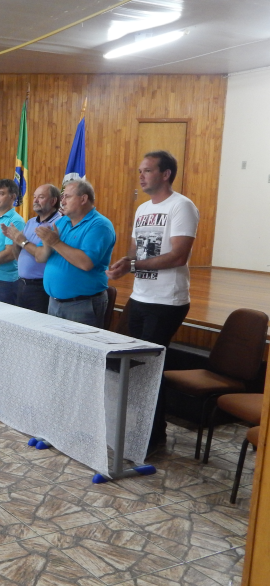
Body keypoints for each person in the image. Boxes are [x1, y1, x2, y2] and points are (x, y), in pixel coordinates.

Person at [107, 150, 200, 451]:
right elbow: (136, 252)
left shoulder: (181, 206)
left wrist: (135, 266)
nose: (141, 176)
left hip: (167, 301)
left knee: (148, 366)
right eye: (140, 171)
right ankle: (143, 428)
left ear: (166, 174)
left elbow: (178, 255)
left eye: (147, 170)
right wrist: (125, 262)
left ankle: (152, 435)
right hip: (140, 296)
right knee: (131, 365)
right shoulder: (142, 209)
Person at [34, 179, 116, 328]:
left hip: (82, 305)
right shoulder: (61, 222)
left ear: (83, 199)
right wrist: (47, 244)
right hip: (54, 302)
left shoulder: (100, 225)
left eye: (67, 196)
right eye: (62, 197)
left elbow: (86, 263)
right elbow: (39, 257)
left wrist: (55, 242)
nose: (62, 201)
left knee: (81, 351)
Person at [0, 183, 63, 313]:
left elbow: (42, 256)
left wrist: (21, 240)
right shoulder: (31, 222)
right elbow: (20, 255)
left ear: (53, 201)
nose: (35, 200)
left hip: (41, 287)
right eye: (34, 197)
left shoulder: (59, 223)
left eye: (40, 197)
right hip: (21, 284)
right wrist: (15, 241)